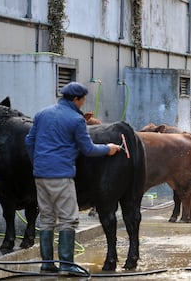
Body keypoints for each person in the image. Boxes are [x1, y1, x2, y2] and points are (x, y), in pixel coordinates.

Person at [25, 82, 121, 276]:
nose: (83, 103)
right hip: (61, 176)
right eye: (83, 99)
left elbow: (29, 141)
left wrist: (38, 162)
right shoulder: (76, 120)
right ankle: (67, 264)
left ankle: (47, 264)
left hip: (40, 175)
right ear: (76, 99)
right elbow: (88, 149)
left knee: (46, 219)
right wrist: (108, 149)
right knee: (68, 219)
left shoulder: (42, 113)